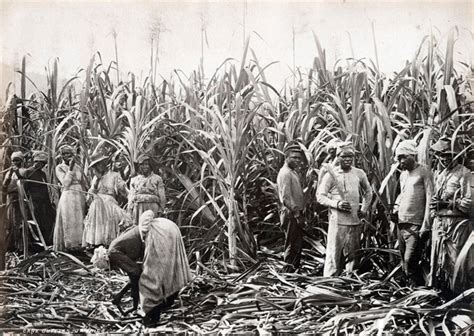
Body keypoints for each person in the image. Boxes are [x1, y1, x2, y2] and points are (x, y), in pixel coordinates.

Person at [317, 142, 373, 276]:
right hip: (338, 222)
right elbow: (320, 196)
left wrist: (364, 209)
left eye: (350, 156)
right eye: (344, 156)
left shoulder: (359, 173)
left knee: (353, 254)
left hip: (355, 221)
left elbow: (368, 192)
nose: (347, 159)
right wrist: (337, 204)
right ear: (338, 157)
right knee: (333, 253)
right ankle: (330, 280)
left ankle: (350, 279)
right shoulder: (331, 174)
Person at [429, 137, 472, 293]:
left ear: (457, 155)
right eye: (441, 155)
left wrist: (447, 204)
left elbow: (469, 202)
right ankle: (442, 294)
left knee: (455, 261)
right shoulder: (440, 174)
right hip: (439, 223)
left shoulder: (464, 173)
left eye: (448, 155)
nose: (444, 158)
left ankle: (458, 295)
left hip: (456, 226)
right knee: (439, 260)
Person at [139, 210, 192, 327]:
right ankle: (168, 298)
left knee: (150, 276)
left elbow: (143, 271)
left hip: (159, 233)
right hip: (170, 228)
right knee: (172, 266)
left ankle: (151, 314)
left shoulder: (146, 233)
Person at [392, 140, 433, 286]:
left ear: (412, 155)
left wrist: (426, 225)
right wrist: (395, 210)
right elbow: (401, 195)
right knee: (404, 261)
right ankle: (410, 294)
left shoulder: (424, 171)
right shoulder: (403, 175)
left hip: (416, 224)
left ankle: (421, 293)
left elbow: (430, 199)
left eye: (403, 157)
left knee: (411, 260)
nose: (400, 161)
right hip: (401, 224)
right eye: (398, 158)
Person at [83, 152, 131, 248]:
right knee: (96, 203)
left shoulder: (114, 175)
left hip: (109, 202)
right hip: (97, 204)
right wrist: (96, 181)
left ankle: (109, 244)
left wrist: (129, 193)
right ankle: (97, 244)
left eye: (101, 163)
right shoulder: (95, 178)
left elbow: (122, 189)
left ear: (105, 163)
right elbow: (90, 197)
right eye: (97, 165)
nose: (100, 166)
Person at [276, 143, 305, 272]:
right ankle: (288, 272)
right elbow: (286, 197)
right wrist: (297, 213)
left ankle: (293, 270)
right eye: (294, 157)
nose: (297, 160)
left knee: (296, 243)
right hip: (291, 214)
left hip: (295, 213)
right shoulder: (285, 173)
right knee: (292, 243)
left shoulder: (292, 172)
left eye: (299, 158)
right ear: (286, 158)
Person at [53, 145, 86, 252]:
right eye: (64, 154)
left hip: (78, 194)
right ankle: (69, 246)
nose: (67, 156)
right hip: (68, 195)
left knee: (79, 219)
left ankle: (79, 245)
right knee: (69, 219)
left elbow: (82, 181)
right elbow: (65, 183)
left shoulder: (78, 167)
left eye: (69, 154)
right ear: (61, 155)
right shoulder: (59, 168)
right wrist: (70, 168)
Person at [22, 150, 56, 250]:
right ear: (34, 161)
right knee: (36, 222)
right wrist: (27, 203)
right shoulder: (28, 172)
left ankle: (46, 243)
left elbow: (46, 188)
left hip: (44, 202)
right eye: (38, 162)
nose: (40, 165)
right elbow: (24, 189)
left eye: (42, 163)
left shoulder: (42, 174)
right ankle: (36, 245)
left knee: (46, 221)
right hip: (34, 202)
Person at [128, 154, 166, 224]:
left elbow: (162, 195)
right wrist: (129, 210)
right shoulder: (134, 180)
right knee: (138, 228)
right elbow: (131, 196)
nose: (144, 167)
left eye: (146, 164)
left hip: (152, 207)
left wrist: (161, 209)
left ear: (150, 166)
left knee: (152, 227)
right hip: (138, 208)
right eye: (142, 164)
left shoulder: (157, 179)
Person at [2, 151, 25, 251]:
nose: (14, 162)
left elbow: (24, 183)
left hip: (20, 199)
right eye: (13, 160)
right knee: (9, 221)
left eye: (17, 160)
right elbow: (4, 186)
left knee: (18, 222)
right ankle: (11, 245)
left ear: (21, 161)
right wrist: (10, 173)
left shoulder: (24, 171)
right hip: (10, 198)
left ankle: (20, 246)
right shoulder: (9, 172)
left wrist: (16, 172)